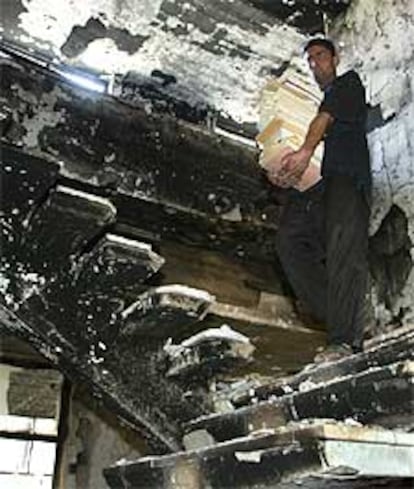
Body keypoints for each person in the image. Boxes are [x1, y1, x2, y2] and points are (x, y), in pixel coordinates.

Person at [267, 38, 371, 363]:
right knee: (288, 239)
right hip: (326, 185)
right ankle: (345, 313)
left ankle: (344, 340)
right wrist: (287, 174)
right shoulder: (325, 101)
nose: (314, 64)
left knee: (343, 248)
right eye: (309, 60)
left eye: (320, 56)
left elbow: (324, 119)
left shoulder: (348, 84)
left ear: (335, 57)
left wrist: (305, 152)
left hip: (349, 181)